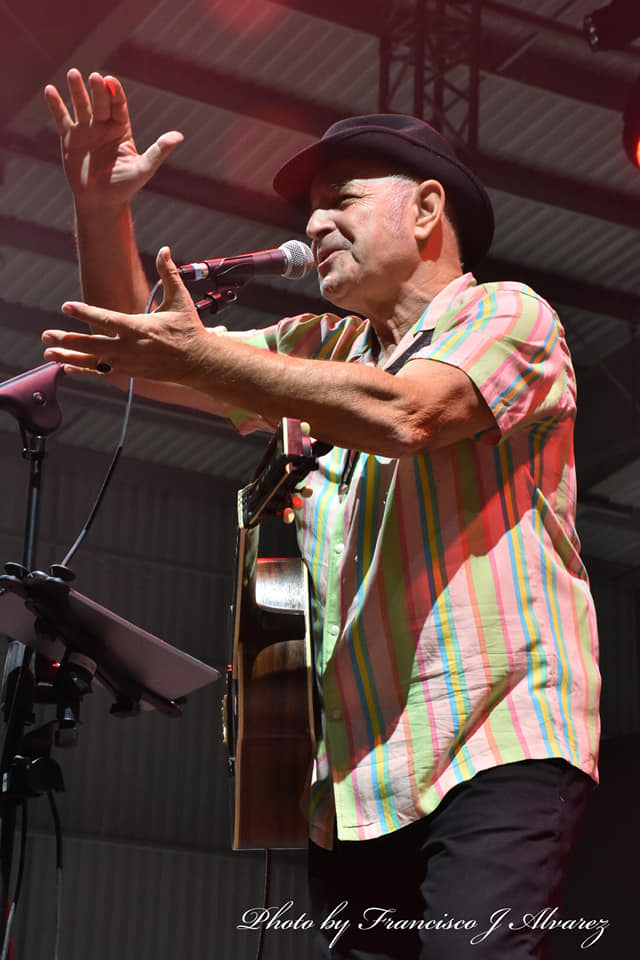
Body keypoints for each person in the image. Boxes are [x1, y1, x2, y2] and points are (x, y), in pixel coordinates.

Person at [42, 70, 600, 960]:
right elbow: (139, 356)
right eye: (310, 210)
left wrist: (201, 357)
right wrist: (100, 208)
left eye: (341, 200)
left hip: (495, 745)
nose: (311, 226)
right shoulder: (321, 350)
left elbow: (407, 414)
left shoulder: (509, 315)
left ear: (427, 209)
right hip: (355, 783)